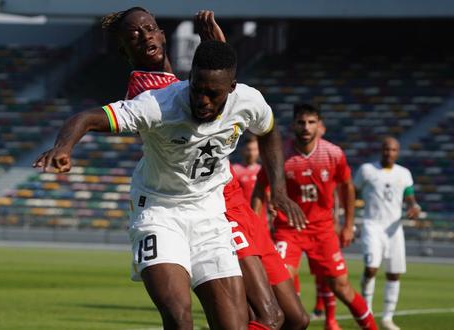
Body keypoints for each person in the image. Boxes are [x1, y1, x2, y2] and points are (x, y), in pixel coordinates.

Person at [34, 40, 304, 330]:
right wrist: (63, 147)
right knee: (178, 315)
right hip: (158, 213)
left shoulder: (249, 102)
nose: (202, 100)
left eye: (213, 94)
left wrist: (277, 189)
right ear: (190, 78)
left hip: (211, 216)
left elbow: (268, 131)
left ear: (232, 87)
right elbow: (86, 118)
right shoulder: (157, 105)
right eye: (197, 88)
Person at [101, 8, 308, 329]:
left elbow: (218, 77)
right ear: (124, 51)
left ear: (163, 33)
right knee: (269, 317)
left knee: (295, 319)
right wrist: (217, 49)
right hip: (211, 203)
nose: (145, 38)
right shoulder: (149, 93)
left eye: (150, 29)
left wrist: (217, 48)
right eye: (133, 37)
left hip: (229, 195)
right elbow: (209, 88)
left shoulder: (181, 79)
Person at [253, 103, 378, 330]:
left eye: (311, 122)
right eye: (301, 122)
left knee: (342, 287)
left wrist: (348, 225)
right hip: (288, 230)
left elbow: (347, 187)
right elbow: (260, 188)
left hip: (322, 230)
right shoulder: (281, 154)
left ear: (319, 125)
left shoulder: (333, 153)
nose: (306, 127)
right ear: (293, 125)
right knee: (278, 284)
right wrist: (255, 224)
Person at [355, 137, 421, 330]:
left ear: (397, 152)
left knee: (394, 274)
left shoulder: (404, 173)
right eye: (386, 149)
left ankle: (387, 318)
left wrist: (414, 207)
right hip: (372, 225)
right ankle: (366, 313)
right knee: (371, 268)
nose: (389, 153)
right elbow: (352, 191)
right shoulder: (367, 170)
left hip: (394, 228)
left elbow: (409, 196)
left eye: (393, 150)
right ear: (381, 150)